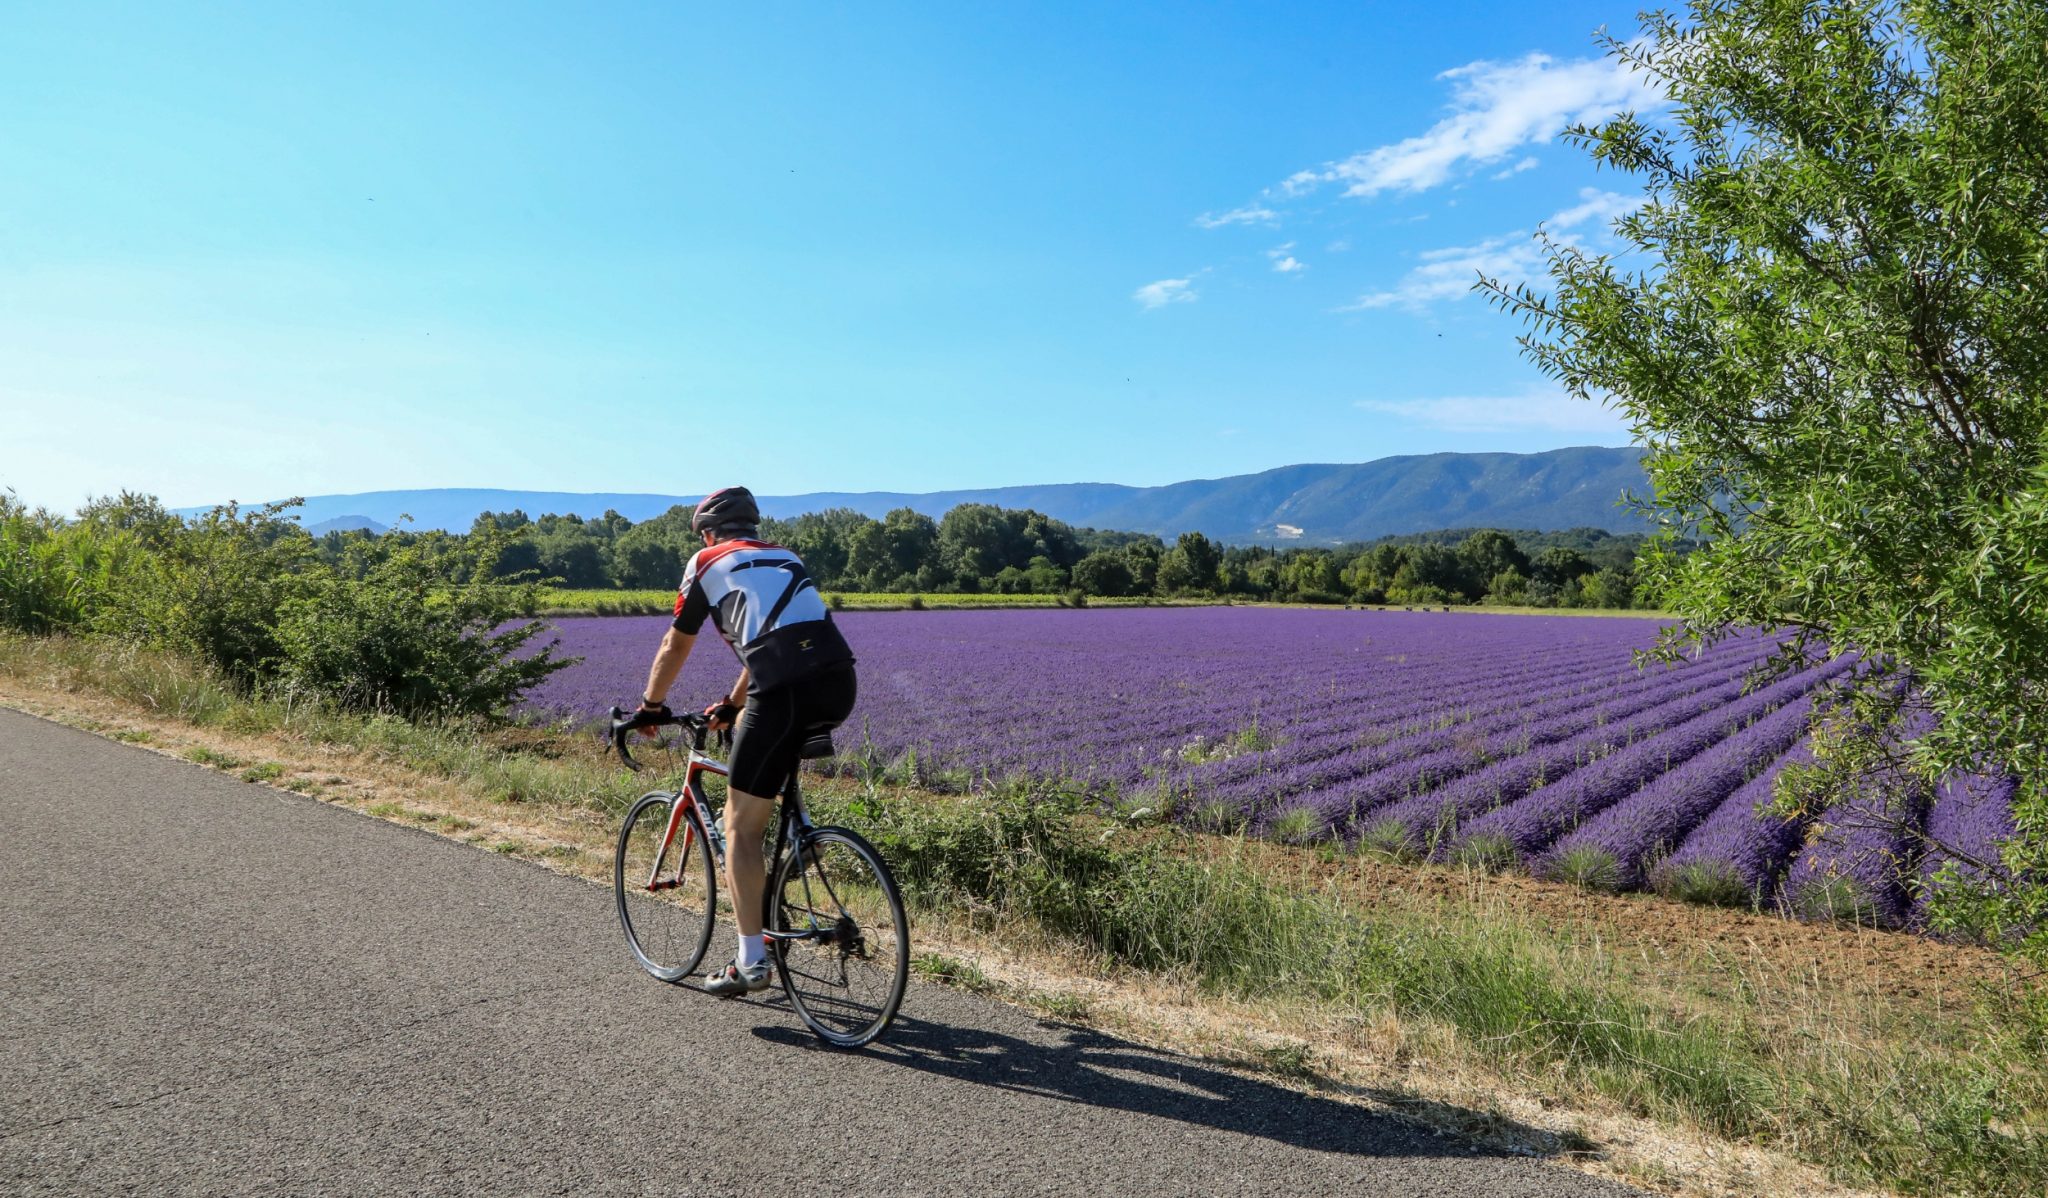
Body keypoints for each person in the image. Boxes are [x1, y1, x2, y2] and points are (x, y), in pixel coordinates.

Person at [634, 486, 858, 996]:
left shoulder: (707, 559)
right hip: (838, 682)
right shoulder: (785, 556)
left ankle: (750, 962)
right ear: (752, 528)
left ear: (708, 532)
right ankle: (792, 857)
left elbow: (676, 641)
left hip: (783, 692)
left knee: (739, 826)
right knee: (768, 782)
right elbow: (770, 640)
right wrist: (735, 703)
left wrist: (650, 705)